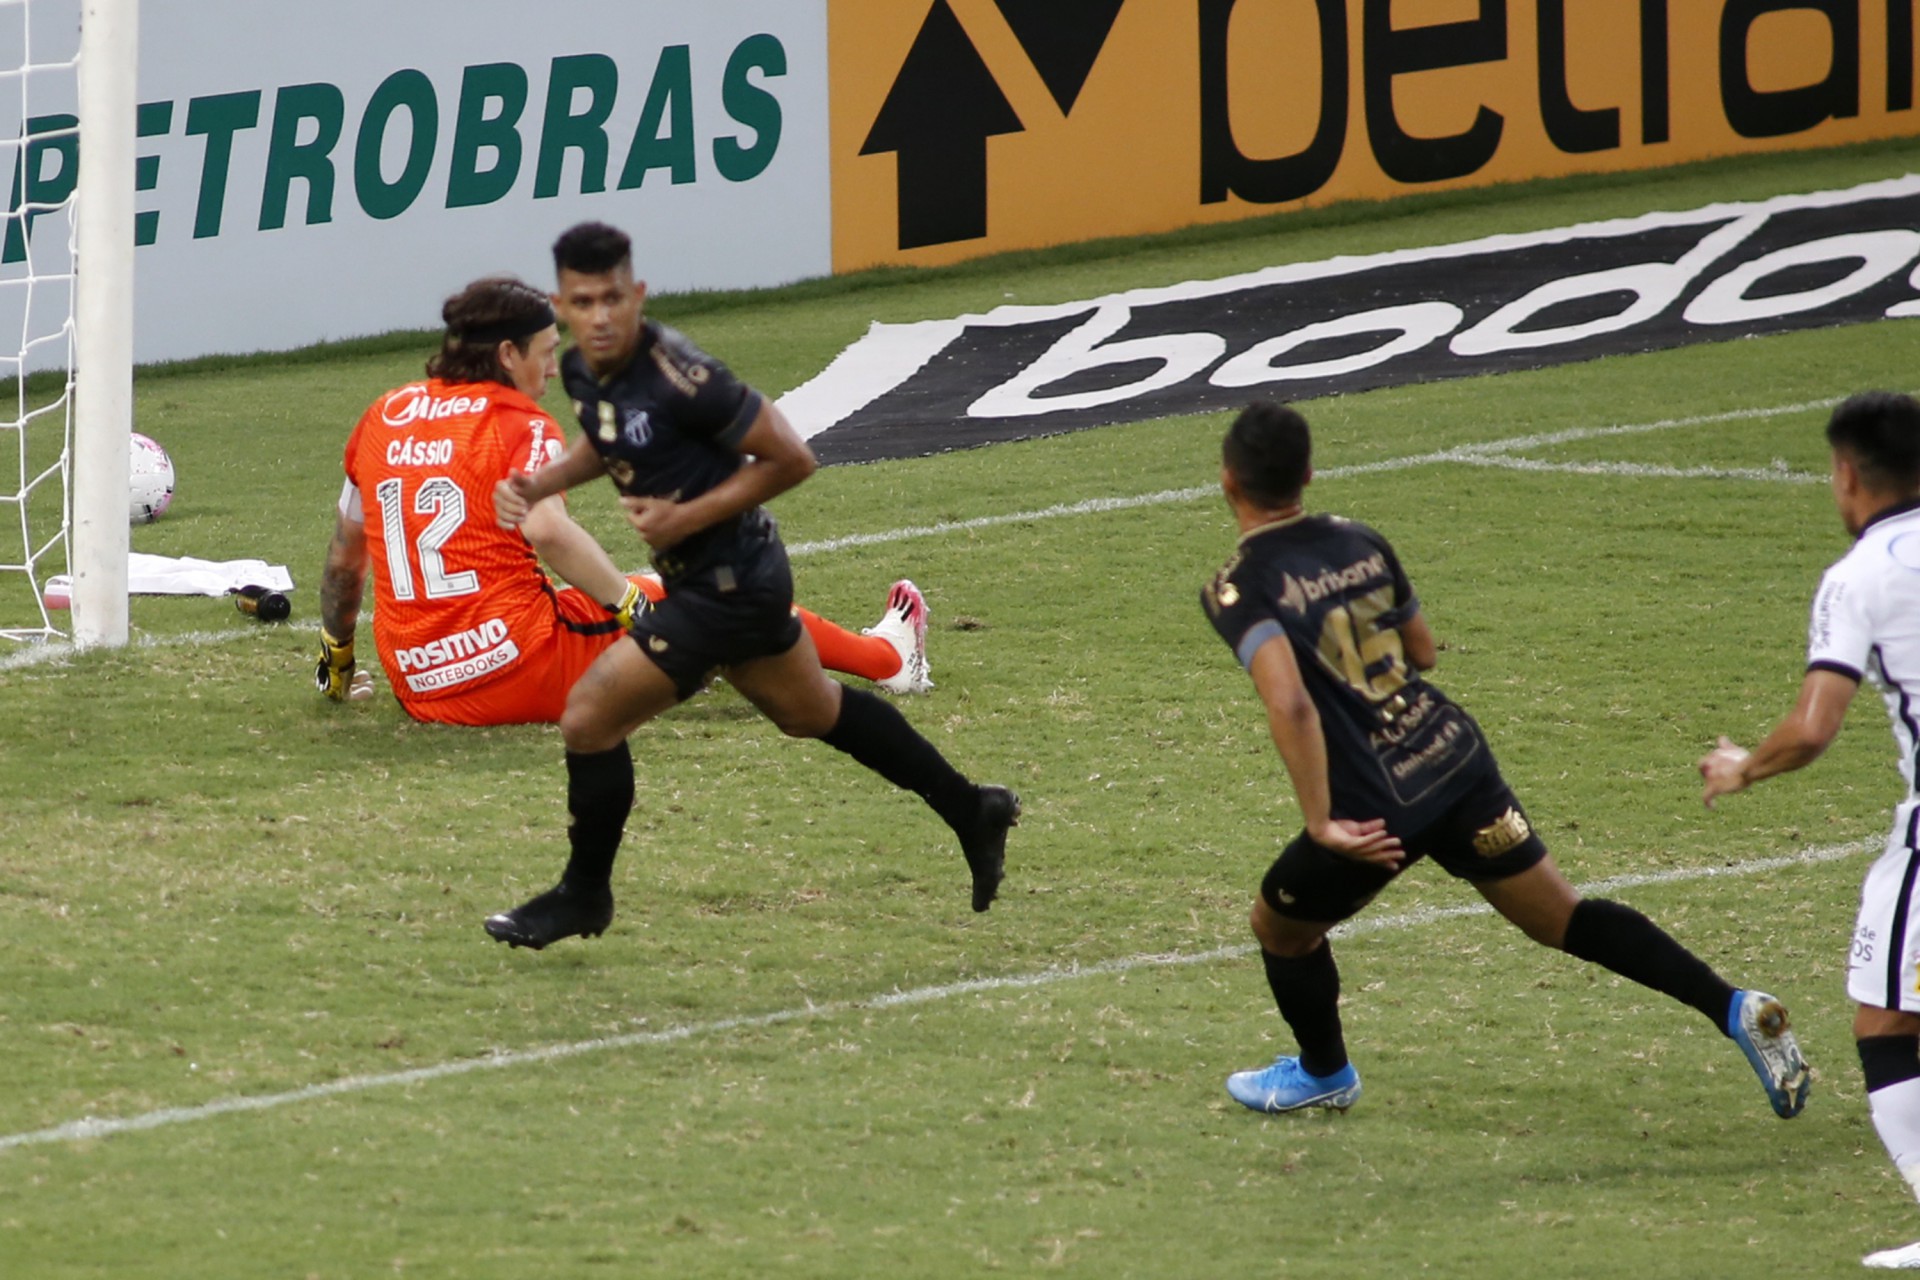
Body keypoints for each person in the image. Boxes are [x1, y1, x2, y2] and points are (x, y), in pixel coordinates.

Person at [1202, 399, 1809, 1120]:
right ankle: (1733, 1005)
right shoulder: (1360, 539)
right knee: (1563, 918)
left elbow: (1292, 703)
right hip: (1454, 759)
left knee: (1281, 929)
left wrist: (1323, 822)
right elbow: (1423, 650)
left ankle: (1325, 1072)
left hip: (1376, 806)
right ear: (1307, 473)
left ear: (1227, 481)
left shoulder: (1237, 585)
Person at [482, 222, 1018, 950]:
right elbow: (607, 440)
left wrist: (684, 514)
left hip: (729, 586)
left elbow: (793, 458)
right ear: (563, 305)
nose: (601, 315)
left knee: (588, 719)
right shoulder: (584, 372)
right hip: (720, 578)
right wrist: (540, 481)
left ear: (636, 294)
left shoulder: (685, 375)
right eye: (584, 301)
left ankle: (584, 894)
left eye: (614, 297)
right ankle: (971, 808)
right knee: (812, 711)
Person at [315, 276, 933, 729]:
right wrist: (633, 604)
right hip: (518, 670)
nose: (553, 370)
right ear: (507, 355)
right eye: (546, 352)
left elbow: (346, 563)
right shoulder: (517, 423)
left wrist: (339, 658)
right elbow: (548, 531)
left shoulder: (383, 416)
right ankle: (886, 661)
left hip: (421, 688)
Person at [1698, 390, 1920, 1270]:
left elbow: (1815, 726)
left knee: (1885, 1021)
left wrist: (1744, 766)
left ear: (1846, 473)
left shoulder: (1861, 575)